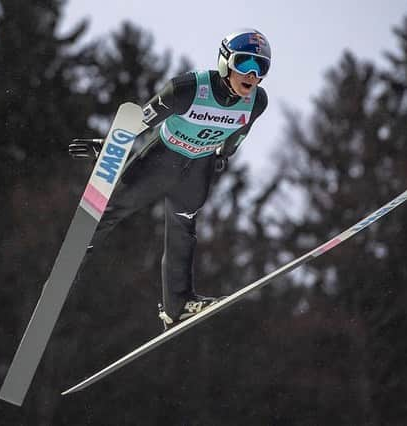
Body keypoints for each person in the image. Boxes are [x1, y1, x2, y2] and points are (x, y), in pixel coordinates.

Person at [69, 29, 270, 330]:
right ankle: (72, 261)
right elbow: (142, 119)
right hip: (162, 159)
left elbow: (239, 134)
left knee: (183, 230)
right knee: (114, 210)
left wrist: (222, 156)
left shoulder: (256, 102)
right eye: (245, 64)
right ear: (226, 61)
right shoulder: (188, 89)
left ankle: (178, 305)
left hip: (197, 169)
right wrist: (109, 143)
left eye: (261, 68)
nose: (252, 75)